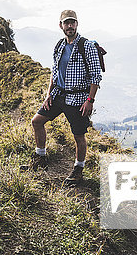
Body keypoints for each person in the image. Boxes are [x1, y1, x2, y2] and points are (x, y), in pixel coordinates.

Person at [27, 9, 102, 185]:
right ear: (61, 25)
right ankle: (40, 157)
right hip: (58, 95)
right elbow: (55, 71)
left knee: (78, 135)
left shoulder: (87, 46)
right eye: (66, 23)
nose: (70, 26)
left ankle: (79, 169)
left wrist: (90, 100)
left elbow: (95, 76)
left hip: (78, 99)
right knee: (36, 121)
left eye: (72, 22)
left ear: (77, 24)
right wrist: (48, 95)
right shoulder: (59, 45)